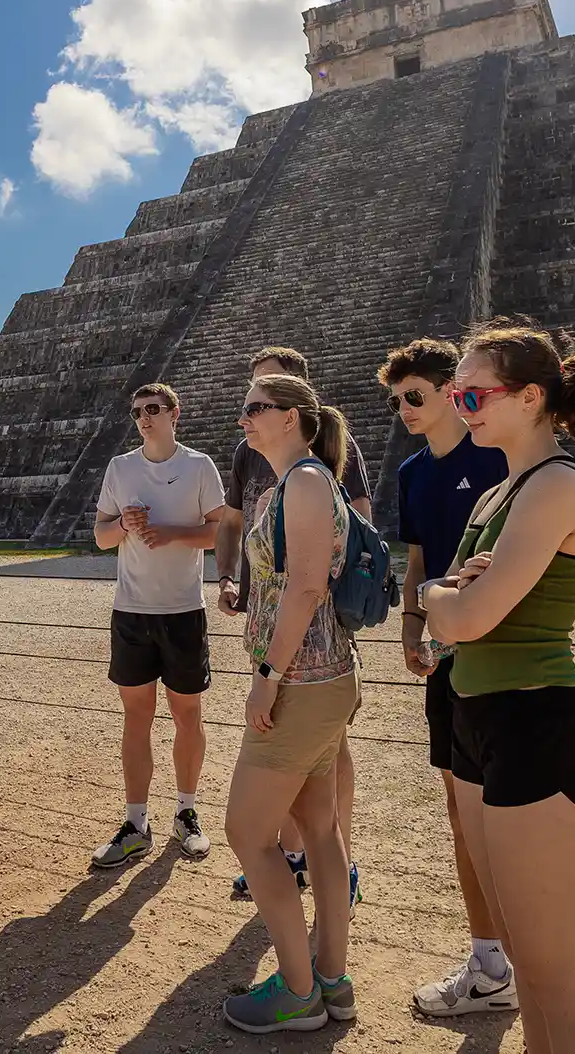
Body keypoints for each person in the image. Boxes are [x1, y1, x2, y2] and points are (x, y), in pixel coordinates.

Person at [419, 317, 575, 1054]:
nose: (458, 408)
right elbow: (454, 612)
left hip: (536, 725)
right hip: (477, 720)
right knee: (530, 972)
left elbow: (462, 614)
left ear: (531, 397)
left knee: (563, 978)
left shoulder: (558, 485)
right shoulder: (494, 495)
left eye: (472, 396)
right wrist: (448, 602)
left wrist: (442, 600)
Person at [378, 338, 520, 1018]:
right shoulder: (410, 474)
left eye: (416, 396)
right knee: (462, 817)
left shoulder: (494, 457)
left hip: (499, 655)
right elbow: (416, 562)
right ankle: (491, 960)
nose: (404, 408)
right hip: (446, 656)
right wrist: (410, 629)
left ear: (451, 394)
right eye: (397, 398)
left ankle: (528, 957)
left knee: (507, 816)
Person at [220, 373, 361, 1034]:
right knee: (321, 829)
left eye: (257, 408)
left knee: (247, 833)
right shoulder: (290, 484)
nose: (244, 418)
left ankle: (298, 992)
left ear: (293, 416)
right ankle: (330, 976)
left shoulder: (304, 482)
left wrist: (267, 675)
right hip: (323, 678)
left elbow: (303, 588)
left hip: (301, 681)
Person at [90, 383, 226, 870]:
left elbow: (219, 530)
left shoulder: (198, 466)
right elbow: (101, 536)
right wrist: (124, 526)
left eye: (152, 410)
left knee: (189, 716)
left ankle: (187, 811)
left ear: (174, 413)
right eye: (136, 412)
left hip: (183, 611)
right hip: (131, 610)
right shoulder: (121, 468)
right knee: (136, 719)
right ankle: (136, 821)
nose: (144, 418)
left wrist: (171, 533)